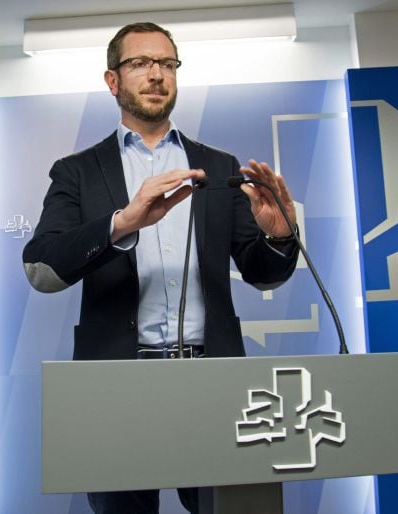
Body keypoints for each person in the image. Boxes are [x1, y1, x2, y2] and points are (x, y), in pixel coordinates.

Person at [22, 21, 299, 514]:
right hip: (117, 386)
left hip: (214, 380)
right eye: (140, 63)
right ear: (113, 80)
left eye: (167, 64)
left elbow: (263, 273)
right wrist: (122, 223)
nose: (156, 74)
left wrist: (278, 235)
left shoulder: (218, 165)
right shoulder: (78, 171)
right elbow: (42, 269)